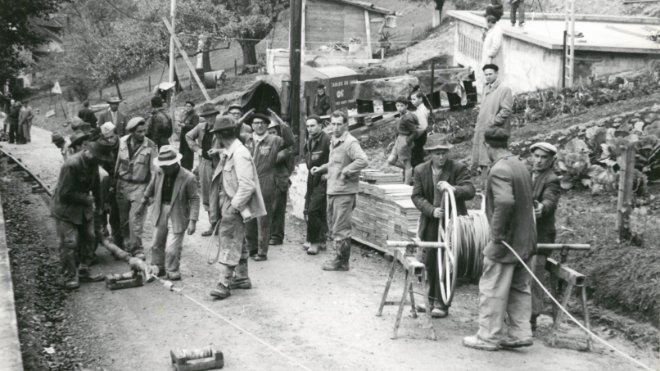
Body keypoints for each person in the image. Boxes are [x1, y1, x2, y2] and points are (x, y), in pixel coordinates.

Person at [463, 127, 537, 351]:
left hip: (507, 243)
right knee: (519, 287)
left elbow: (504, 202)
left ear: (487, 146)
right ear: (507, 142)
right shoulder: (520, 165)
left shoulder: (499, 169)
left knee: (492, 287)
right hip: (526, 241)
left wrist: (496, 234)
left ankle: (488, 336)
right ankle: (520, 332)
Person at [411, 134, 475, 318]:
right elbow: (416, 196)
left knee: (447, 262)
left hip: (453, 223)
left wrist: (453, 189)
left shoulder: (457, 168)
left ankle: (443, 303)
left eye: (444, 153)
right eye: (437, 153)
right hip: (431, 222)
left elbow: (470, 190)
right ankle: (430, 299)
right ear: (429, 153)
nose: (441, 157)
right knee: (431, 261)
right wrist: (431, 210)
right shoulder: (420, 170)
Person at [208, 115, 266, 300]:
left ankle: (223, 283)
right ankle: (241, 277)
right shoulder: (231, 151)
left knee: (229, 240)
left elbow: (247, 185)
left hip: (233, 204)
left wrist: (234, 206)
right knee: (237, 240)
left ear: (219, 134)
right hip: (230, 202)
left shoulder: (240, 154)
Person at [310, 110, 368, 271]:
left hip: (344, 192)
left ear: (346, 124)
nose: (335, 127)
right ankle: (338, 256)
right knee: (335, 226)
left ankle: (342, 261)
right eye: (333, 124)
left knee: (341, 228)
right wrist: (321, 168)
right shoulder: (335, 141)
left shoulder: (350, 142)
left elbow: (363, 160)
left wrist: (347, 171)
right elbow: (334, 163)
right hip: (333, 189)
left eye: (339, 124)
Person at [51, 141, 112, 289]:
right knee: (69, 243)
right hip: (66, 209)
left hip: (84, 209)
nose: (100, 162)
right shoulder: (71, 165)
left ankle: (84, 270)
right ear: (91, 153)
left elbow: (96, 185)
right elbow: (64, 193)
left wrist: (99, 206)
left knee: (89, 238)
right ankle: (69, 276)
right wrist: (86, 199)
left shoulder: (93, 164)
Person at [141, 145, 200, 281]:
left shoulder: (188, 177)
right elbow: (151, 186)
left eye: (167, 166)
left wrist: (193, 221)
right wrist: (144, 198)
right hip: (161, 208)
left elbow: (195, 199)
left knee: (172, 248)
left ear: (175, 163)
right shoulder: (159, 171)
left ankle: (173, 269)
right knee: (156, 243)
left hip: (178, 212)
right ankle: (158, 266)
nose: (164, 168)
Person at [241, 113, 289, 261]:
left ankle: (262, 251)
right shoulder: (247, 138)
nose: (259, 125)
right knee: (248, 215)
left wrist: (280, 121)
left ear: (267, 125)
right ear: (252, 125)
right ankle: (252, 247)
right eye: (256, 123)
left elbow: (290, 140)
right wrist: (244, 116)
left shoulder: (274, 140)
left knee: (263, 217)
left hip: (266, 179)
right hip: (248, 180)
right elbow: (234, 132)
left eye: (262, 123)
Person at [114, 117, 158, 259]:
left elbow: (154, 171)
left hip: (140, 187)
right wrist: (114, 184)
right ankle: (126, 246)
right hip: (122, 185)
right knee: (123, 218)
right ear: (132, 132)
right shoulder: (122, 142)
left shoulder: (151, 146)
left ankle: (137, 249)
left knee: (136, 219)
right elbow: (117, 163)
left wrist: (150, 193)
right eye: (139, 132)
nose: (142, 134)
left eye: (144, 131)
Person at [528, 141, 560, 333]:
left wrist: (542, 207)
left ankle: (531, 318)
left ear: (551, 160)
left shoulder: (552, 179)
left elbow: (550, 200)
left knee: (534, 276)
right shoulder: (526, 174)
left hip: (540, 237)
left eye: (544, 158)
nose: (539, 161)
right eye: (537, 156)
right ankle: (515, 314)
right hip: (522, 234)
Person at [471, 64, 512, 178]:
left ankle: (495, 181)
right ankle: (484, 183)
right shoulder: (486, 87)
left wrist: (492, 122)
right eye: (486, 75)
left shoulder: (504, 89)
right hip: (482, 127)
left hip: (495, 130)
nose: (488, 77)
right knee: (482, 156)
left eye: (490, 74)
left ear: (497, 74)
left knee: (493, 156)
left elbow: (506, 110)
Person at [185, 102, 220, 237]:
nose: (210, 119)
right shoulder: (200, 127)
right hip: (205, 164)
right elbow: (188, 136)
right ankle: (213, 224)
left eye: (213, 116)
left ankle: (221, 223)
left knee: (219, 194)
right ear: (204, 117)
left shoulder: (221, 127)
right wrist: (197, 149)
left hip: (219, 165)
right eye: (207, 116)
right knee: (206, 193)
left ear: (216, 115)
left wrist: (219, 151)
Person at [266, 108, 298, 246]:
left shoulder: (283, 147)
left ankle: (277, 236)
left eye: (274, 132)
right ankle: (268, 234)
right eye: (270, 132)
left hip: (280, 181)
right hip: (267, 182)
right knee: (267, 209)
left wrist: (280, 121)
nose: (272, 135)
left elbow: (290, 139)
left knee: (278, 209)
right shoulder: (264, 145)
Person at [303, 115, 331, 255]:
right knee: (310, 206)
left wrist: (327, 173)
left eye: (313, 126)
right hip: (311, 177)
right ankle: (319, 239)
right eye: (308, 126)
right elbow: (307, 155)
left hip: (323, 178)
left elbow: (335, 159)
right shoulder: (309, 139)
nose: (310, 129)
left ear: (320, 125)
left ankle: (314, 243)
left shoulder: (327, 140)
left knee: (314, 209)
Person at [387, 96, 418, 185]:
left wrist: (408, 141)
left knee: (407, 164)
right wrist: (396, 140)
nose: (399, 108)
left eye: (401, 106)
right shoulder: (402, 115)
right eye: (397, 105)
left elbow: (414, 131)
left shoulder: (408, 117)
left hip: (404, 140)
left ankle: (406, 184)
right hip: (399, 140)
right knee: (390, 160)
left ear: (406, 106)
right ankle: (410, 170)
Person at [411, 91, 431, 168]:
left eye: (414, 99)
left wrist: (415, 136)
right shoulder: (419, 109)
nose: (412, 101)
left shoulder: (422, 110)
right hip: (419, 134)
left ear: (420, 99)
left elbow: (423, 126)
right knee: (417, 155)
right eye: (411, 99)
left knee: (417, 156)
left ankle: (419, 173)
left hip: (420, 135)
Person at [179, 100, 199, 170]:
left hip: (189, 137)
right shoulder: (186, 114)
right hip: (183, 137)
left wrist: (185, 126)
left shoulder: (195, 115)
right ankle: (183, 168)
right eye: (186, 106)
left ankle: (188, 169)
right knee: (182, 153)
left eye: (189, 106)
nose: (187, 108)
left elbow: (195, 127)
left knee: (188, 155)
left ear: (193, 107)